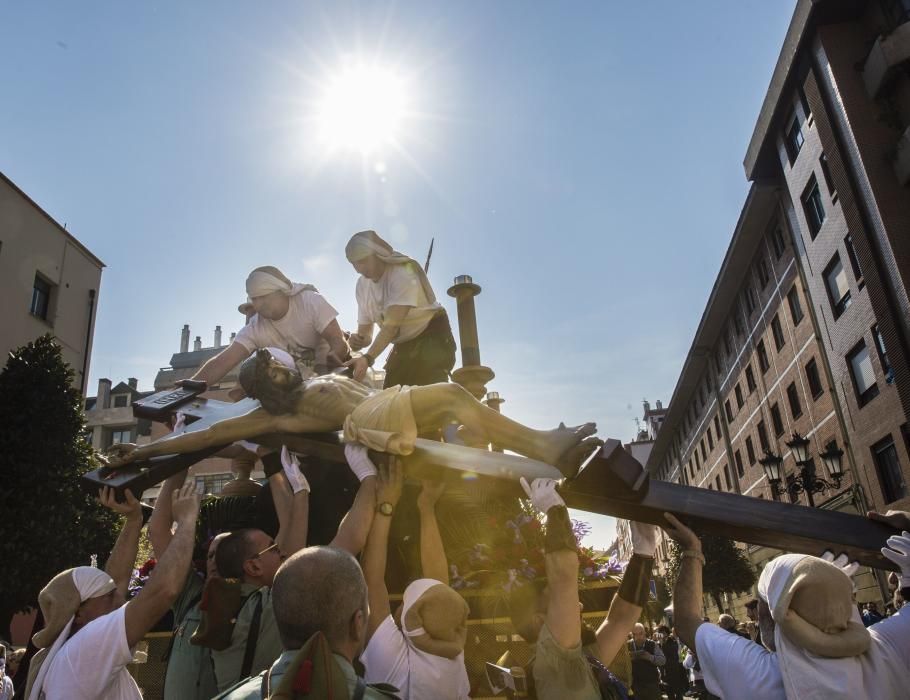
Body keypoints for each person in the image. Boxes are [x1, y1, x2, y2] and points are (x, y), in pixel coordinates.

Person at [662, 511, 910, 699]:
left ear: (773, 613)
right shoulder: (887, 646)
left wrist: (692, 550)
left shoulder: (761, 676)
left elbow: (686, 622)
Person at [209, 445, 377, 693]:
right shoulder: (271, 601)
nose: (282, 549)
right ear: (254, 566)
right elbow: (349, 539)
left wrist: (276, 468)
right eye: (273, 548)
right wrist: (368, 477)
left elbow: (289, 526)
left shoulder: (235, 603)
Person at [25, 483, 200, 700]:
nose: (120, 599)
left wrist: (134, 520)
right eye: (109, 597)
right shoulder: (87, 647)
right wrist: (187, 521)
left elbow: (115, 581)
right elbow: (163, 591)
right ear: (78, 613)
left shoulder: (72, 650)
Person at [508, 481, 658, 699]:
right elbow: (562, 577)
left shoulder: (575, 661)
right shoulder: (555, 662)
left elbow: (620, 619)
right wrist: (554, 510)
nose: (578, 604)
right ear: (539, 622)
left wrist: (644, 553)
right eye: (559, 600)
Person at [360, 458, 470, 699]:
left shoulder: (393, 662)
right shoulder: (449, 652)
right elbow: (440, 595)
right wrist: (426, 506)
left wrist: (387, 503)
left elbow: (372, 579)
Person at [189, 265, 350, 387]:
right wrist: (187, 389)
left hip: (331, 377)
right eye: (254, 299)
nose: (258, 305)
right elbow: (221, 362)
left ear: (280, 291)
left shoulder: (310, 301)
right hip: (293, 386)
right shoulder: (255, 327)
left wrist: (336, 353)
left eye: (263, 297)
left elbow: (337, 339)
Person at [148, 467, 231, 700]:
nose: (216, 562)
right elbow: (158, 531)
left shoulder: (262, 599)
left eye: (227, 553)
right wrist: (179, 463)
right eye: (211, 554)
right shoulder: (192, 596)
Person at [342, 230, 456, 387]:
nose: (359, 268)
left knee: (427, 395)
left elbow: (391, 327)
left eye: (363, 261)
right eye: (354, 263)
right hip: (402, 344)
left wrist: (367, 358)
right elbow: (366, 334)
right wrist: (358, 341)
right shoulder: (362, 287)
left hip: (431, 335)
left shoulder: (402, 274)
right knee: (392, 396)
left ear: (377, 254)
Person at [627, 623, 665, 700]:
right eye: (635, 634)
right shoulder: (627, 645)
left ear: (644, 632)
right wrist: (629, 658)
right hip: (635, 686)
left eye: (640, 633)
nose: (638, 637)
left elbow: (662, 660)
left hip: (652, 685)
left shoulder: (652, 644)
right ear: (632, 634)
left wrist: (650, 657)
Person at [656, 625, 686, 700]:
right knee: (670, 695)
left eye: (663, 632)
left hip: (675, 672)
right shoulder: (658, 644)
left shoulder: (673, 642)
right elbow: (658, 657)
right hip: (665, 674)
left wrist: (663, 644)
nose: (661, 635)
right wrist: (660, 643)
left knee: (678, 694)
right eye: (660, 633)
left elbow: (673, 655)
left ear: (667, 633)